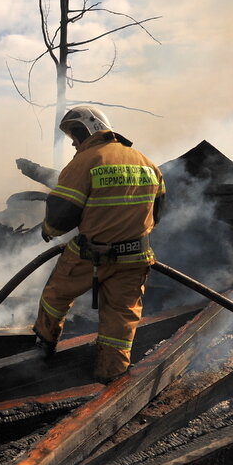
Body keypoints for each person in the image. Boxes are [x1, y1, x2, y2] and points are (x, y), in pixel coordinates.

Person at [34, 106, 166, 383]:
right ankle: (112, 378)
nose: (73, 143)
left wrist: (49, 229)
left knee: (55, 296)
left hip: (90, 254)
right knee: (120, 320)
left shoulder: (86, 161)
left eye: (75, 136)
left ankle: (43, 349)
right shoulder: (147, 162)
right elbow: (159, 211)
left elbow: (61, 213)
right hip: (135, 257)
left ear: (89, 129)